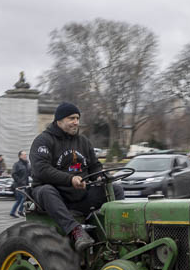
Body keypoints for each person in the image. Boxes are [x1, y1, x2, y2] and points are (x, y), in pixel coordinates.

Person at [30, 102, 123, 251]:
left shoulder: (83, 142)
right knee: (45, 190)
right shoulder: (44, 141)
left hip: (81, 196)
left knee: (116, 189)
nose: (76, 122)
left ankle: (113, 233)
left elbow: (94, 166)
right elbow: (41, 169)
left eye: (77, 118)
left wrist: (100, 177)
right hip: (56, 198)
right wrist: (70, 179)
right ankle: (76, 231)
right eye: (71, 118)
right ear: (59, 121)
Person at [10, 150, 30, 218]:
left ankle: (12, 212)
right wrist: (19, 181)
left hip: (25, 185)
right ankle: (20, 211)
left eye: (26, 154)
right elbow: (13, 174)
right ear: (20, 156)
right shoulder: (17, 164)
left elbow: (30, 173)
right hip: (18, 185)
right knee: (24, 198)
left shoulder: (27, 164)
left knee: (19, 200)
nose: (25, 156)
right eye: (24, 154)